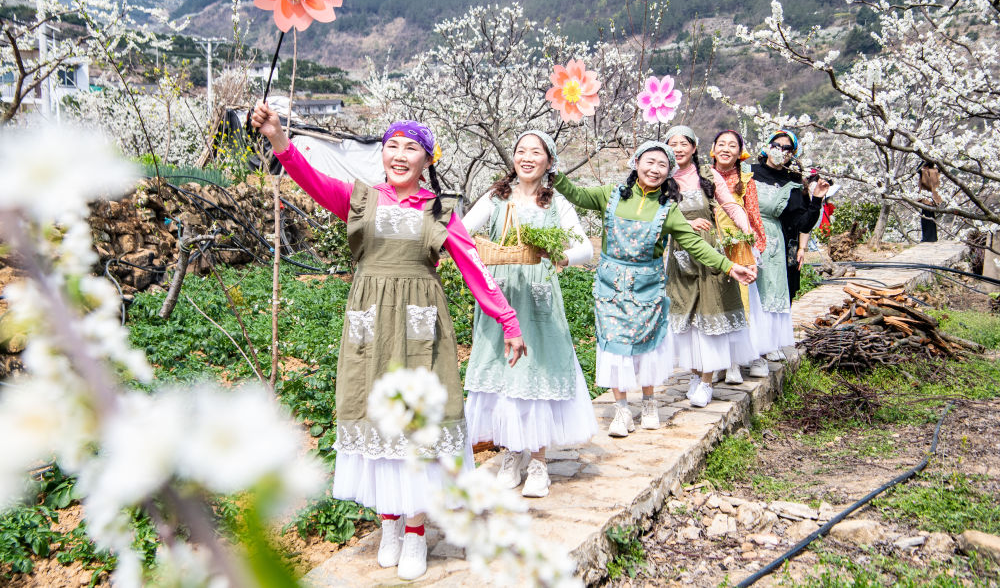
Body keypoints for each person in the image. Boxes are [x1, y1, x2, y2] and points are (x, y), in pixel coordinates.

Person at [250, 103, 527, 581]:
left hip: (421, 330)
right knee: (376, 419)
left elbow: (474, 268)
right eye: (392, 146)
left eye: (411, 148)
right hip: (369, 328)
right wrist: (278, 139)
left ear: (427, 159)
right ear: (382, 154)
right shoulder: (360, 200)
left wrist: (508, 320)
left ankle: (416, 532)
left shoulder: (440, 211)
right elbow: (310, 180)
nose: (399, 155)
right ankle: (390, 525)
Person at [553, 141, 757, 437]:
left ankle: (649, 403)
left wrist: (728, 266)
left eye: (662, 165)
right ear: (636, 163)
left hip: (647, 287)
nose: (655, 169)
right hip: (611, 286)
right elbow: (576, 194)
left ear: (669, 173)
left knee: (647, 346)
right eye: (649, 162)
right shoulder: (610, 195)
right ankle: (622, 410)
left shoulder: (668, 209)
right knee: (614, 347)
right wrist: (554, 172)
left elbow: (695, 244)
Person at [462, 130, 597, 498]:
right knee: (504, 375)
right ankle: (511, 453)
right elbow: (462, 231)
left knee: (535, 375)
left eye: (535, 152)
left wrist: (562, 256)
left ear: (549, 162)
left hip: (539, 301)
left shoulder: (556, 203)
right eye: (521, 150)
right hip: (501, 298)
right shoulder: (497, 197)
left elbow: (585, 247)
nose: (526, 157)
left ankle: (538, 461)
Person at [665, 126, 758, 407]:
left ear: (694, 147)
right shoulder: (663, 178)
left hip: (709, 254)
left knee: (711, 314)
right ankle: (695, 374)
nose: (678, 149)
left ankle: (707, 381)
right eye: (673, 144)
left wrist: (747, 230)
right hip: (680, 257)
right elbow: (657, 216)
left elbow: (731, 205)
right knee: (688, 318)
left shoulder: (707, 175)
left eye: (684, 143)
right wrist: (685, 224)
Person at [750, 130, 828, 361]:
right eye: (776, 145)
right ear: (767, 146)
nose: (780, 151)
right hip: (746, 235)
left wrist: (816, 199)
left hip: (774, 241)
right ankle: (746, 346)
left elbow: (801, 222)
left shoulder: (793, 183)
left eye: (787, 148)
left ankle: (769, 343)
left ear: (792, 154)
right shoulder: (748, 172)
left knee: (771, 289)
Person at [709, 129, 771, 383]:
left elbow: (753, 214)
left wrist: (757, 244)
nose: (726, 149)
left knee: (742, 302)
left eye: (732, 145)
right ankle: (719, 360)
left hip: (738, 246)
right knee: (715, 302)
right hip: (711, 245)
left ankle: (739, 360)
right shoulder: (703, 176)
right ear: (713, 149)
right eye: (721, 144)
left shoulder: (746, 180)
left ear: (740, 153)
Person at [919, 162, 942, 242]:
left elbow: (926, 183)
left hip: (927, 198)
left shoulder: (926, 171)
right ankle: (932, 237)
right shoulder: (936, 171)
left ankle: (927, 238)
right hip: (932, 197)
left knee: (926, 218)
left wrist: (923, 171)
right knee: (930, 217)